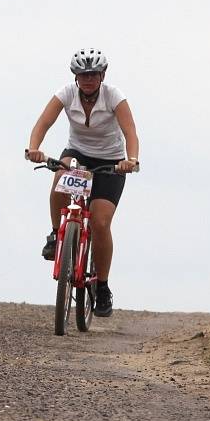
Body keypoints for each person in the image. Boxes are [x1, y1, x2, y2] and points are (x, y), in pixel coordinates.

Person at [26, 48, 139, 317]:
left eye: (93, 75)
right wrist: (34, 148)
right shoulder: (66, 93)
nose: (88, 80)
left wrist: (131, 159)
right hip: (78, 153)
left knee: (100, 223)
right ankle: (56, 235)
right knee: (59, 179)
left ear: (102, 75)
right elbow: (43, 121)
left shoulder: (114, 97)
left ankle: (102, 286)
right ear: (75, 77)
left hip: (111, 161)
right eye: (82, 75)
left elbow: (130, 131)